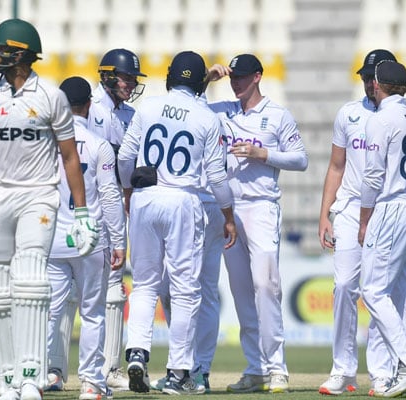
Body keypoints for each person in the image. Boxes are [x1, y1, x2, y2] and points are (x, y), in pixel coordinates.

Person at [0, 19, 99, 400]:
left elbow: (70, 158)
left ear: (22, 54)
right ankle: (9, 378)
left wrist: (81, 213)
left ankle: (33, 375)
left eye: (1, 51)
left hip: (38, 196)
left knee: (29, 279)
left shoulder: (50, 96)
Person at [118, 50, 237, 395]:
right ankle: (178, 373)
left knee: (143, 285)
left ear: (171, 77)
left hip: (145, 196)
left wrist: (128, 191)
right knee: (186, 290)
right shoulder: (206, 118)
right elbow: (216, 177)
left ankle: (137, 352)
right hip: (183, 200)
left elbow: (125, 157)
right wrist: (228, 216)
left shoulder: (149, 107)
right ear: (200, 81)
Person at [317, 49, 406, 397]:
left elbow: (379, 176)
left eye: (370, 78)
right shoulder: (349, 114)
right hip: (351, 210)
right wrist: (325, 214)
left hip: (384, 211)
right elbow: (336, 166)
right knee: (346, 286)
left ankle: (382, 373)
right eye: (362, 77)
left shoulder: (394, 117)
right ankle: (343, 370)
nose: (365, 84)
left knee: (382, 291)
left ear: (381, 82)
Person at [204, 54, 308, 394]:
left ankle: (277, 369)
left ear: (258, 77)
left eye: (243, 77)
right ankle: (255, 369)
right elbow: (189, 107)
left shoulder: (277, 115)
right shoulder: (222, 110)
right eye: (234, 76)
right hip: (230, 211)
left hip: (262, 207)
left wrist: (263, 155)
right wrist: (207, 79)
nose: (236, 82)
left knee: (266, 286)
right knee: (242, 292)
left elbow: (301, 159)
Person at [45, 49, 146, 393]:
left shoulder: (47, 140)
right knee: (92, 308)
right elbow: (109, 192)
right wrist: (119, 239)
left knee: (57, 306)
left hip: (58, 229)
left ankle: (74, 370)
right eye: (125, 77)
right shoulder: (96, 130)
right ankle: (82, 375)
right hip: (94, 225)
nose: (130, 84)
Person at [359, 60, 406, 398]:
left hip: (391, 207)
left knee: (372, 290)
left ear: (376, 85)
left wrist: (364, 219)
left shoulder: (380, 119)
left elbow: (373, 176)